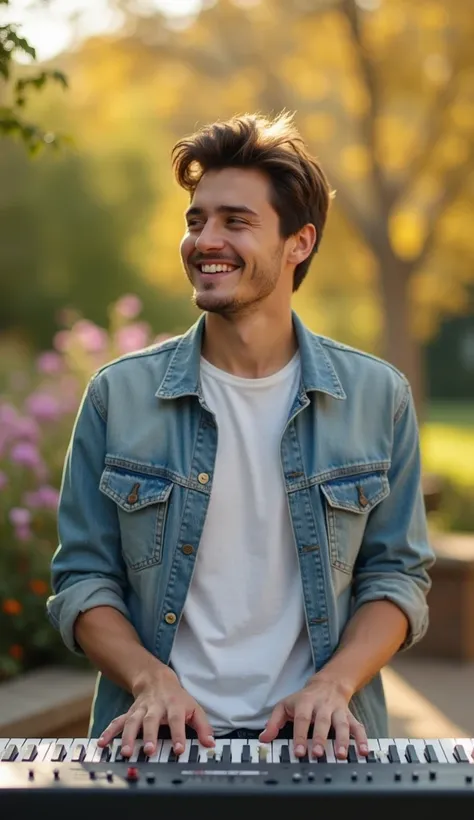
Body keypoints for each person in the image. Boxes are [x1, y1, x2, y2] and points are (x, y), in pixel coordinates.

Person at [46, 111, 434, 763]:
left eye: (236, 221)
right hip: (155, 746)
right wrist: (152, 681)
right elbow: (84, 579)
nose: (205, 240)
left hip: (322, 750)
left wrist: (332, 687)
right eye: (196, 220)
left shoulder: (377, 397)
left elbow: (396, 576)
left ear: (299, 243)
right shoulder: (120, 396)